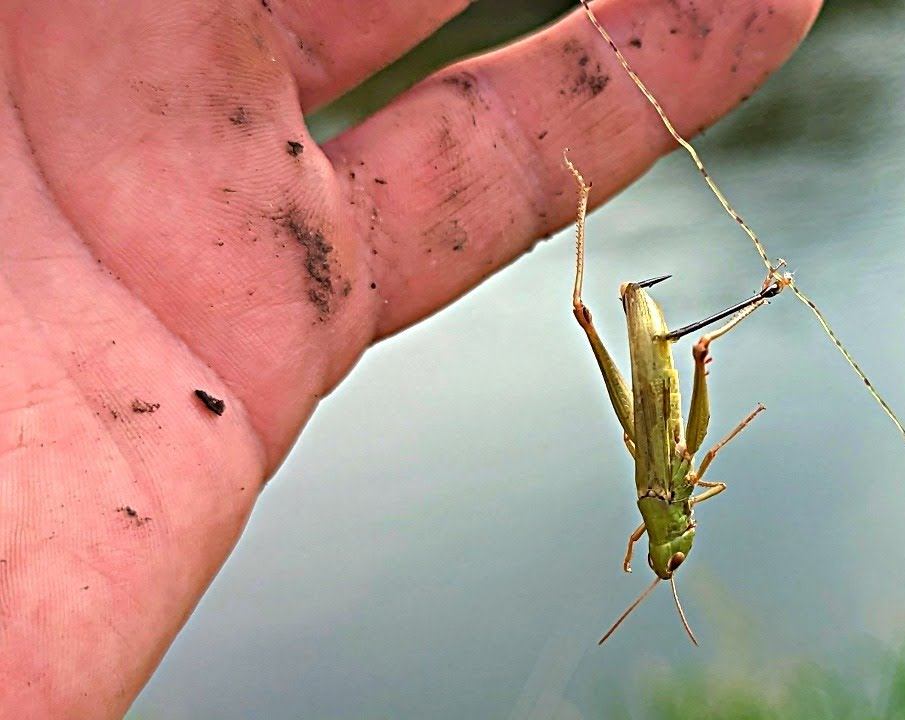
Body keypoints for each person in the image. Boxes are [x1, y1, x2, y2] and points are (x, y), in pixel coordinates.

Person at [0, 0, 822, 716]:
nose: (671, 550)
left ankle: (617, 229)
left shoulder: (663, 501)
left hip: (654, 415)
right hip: (661, 426)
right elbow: (700, 463)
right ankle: (698, 283)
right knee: (683, 366)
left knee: (670, 350)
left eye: (662, 554)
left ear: (657, 534)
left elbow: (692, 465)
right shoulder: (672, 500)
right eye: (668, 555)